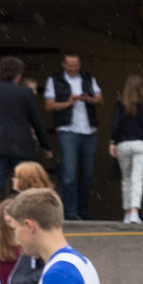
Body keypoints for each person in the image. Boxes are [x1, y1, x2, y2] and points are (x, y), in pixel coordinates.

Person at [0, 55, 46, 195]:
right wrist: (45, 145)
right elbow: (36, 120)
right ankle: (20, 214)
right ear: (18, 75)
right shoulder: (25, 92)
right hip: (22, 144)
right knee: (23, 184)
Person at [43, 55, 102, 220]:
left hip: (88, 130)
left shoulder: (88, 78)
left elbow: (100, 99)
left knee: (87, 175)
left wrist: (87, 98)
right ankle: (69, 212)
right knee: (68, 173)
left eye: (76, 65)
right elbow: (48, 105)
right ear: (63, 64)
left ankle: (82, 212)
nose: (73, 68)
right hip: (67, 129)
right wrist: (69, 102)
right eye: (70, 65)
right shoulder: (54, 80)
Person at [111, 73, 143, 226]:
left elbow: (115, 124)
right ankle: (135, 212)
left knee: (126, 179)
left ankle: (127, 213)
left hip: (123, 144)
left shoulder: (120, 102)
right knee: (138, 178)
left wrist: (112, 142)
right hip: (141, 144)